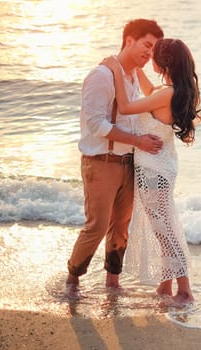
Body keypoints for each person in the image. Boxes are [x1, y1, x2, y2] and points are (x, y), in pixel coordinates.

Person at [66, 19, 164, 296]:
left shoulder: (132, 77)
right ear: (129, 40)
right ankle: (72, 279)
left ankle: (113, 283)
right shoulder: (101, 75)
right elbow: (96, 124)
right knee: (96, 227)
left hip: (129, 163)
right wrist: (139, 141)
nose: (149, 53)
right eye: (147, 45)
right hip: (102, 162)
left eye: (154, 49)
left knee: (121, 227)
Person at [101, 38, 201, 306]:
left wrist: (115, 70)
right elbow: (149, 89)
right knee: (165, 225)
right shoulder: (173, 90)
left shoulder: (164, 94)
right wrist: (135, 67)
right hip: (164, 165)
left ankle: (184, 290)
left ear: (163, 63)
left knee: (164, 230)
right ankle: (165, 286)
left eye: (153, 57)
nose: (150, 60)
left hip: (152, 170)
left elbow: (124, 107)